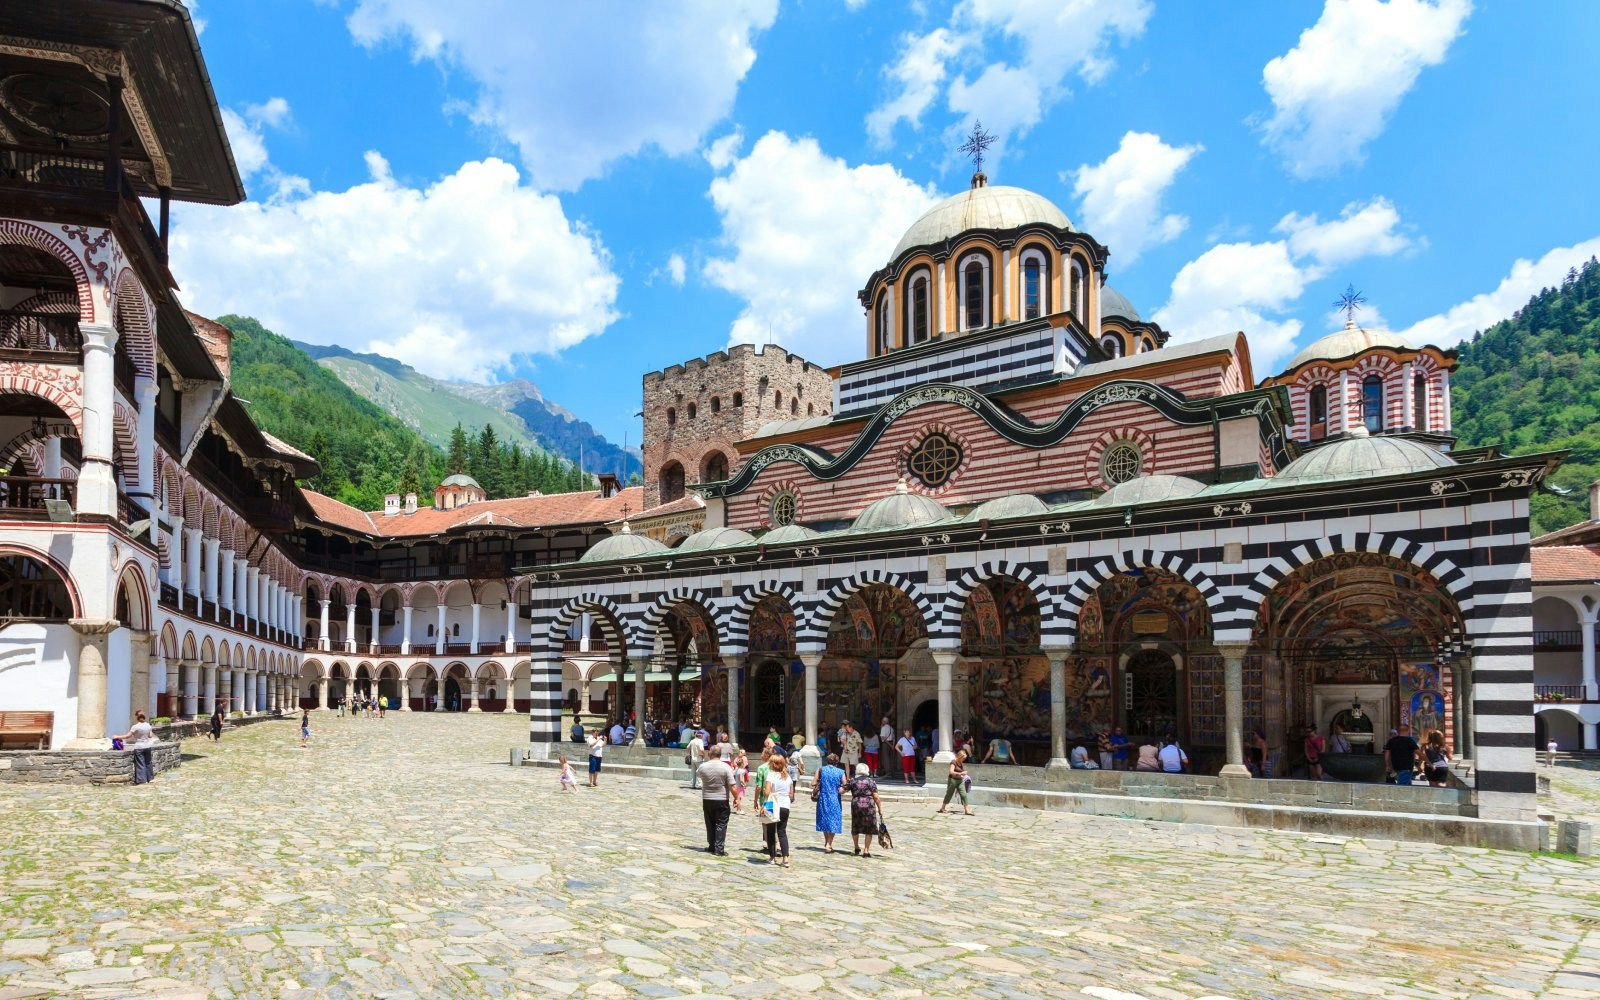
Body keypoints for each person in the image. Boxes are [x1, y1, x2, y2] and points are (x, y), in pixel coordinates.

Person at [697, 745, 735, 856]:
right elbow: (732, 785)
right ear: (720, 754)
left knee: (710, 823)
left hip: (707, 798)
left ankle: (711, 845)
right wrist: (737, 798)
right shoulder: (726, 767)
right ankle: (719, 848)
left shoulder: (703, 767)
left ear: (710, 754)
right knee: (721, 823)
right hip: (722, 798)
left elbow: (699, 775)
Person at [763, 755, 794, 867]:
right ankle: (785, 858)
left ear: (773, 764)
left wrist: (764, 792)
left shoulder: (771, 775)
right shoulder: (788, 777)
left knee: (771, 832)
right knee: (782, 831)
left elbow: (767, 792)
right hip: (785, 805)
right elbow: (791, 794)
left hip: (772, 804)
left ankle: (772, 857)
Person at [847, 763, 883, 856]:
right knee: (869, 827)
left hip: (856, 804)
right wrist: (880, 809)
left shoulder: (852, 780)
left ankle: (856, 847)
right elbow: (876, 797)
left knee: (855, 825)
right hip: (868, 805)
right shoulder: (871, 781)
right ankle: (866, 850)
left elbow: (842, 790)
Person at [813, 752, 846, 852]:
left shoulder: (821, 770)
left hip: (823, 797)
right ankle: (829, 843)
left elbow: (813, 783)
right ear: (837, 761)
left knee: (824, 819)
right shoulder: (841, 772)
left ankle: (827, 841)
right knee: (833, 820)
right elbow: (845, 785)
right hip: (835, 797)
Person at [114, 711, 156, 785]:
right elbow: (150, 736)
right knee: (148, 762)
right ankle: (150, 778)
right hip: (147, 745)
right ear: (144, 717)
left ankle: (142, 780)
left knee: (140, 763)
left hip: (139, 746)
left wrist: (117, 736)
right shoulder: (148, 725)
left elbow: (127, 736)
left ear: (137, 718)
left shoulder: (135, 727)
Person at [938, 750, 974, 816]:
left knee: (964, 794)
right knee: (949, 794)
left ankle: (967, 810)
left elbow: (961, 772)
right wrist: (960, 773)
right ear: (960, 757)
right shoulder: (953, 762)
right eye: (963, 758)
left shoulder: (961, 763)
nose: (964, 759)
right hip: (952, 780)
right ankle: (942, 808)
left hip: (960, 780)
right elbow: (951, 772)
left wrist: (964, 774)